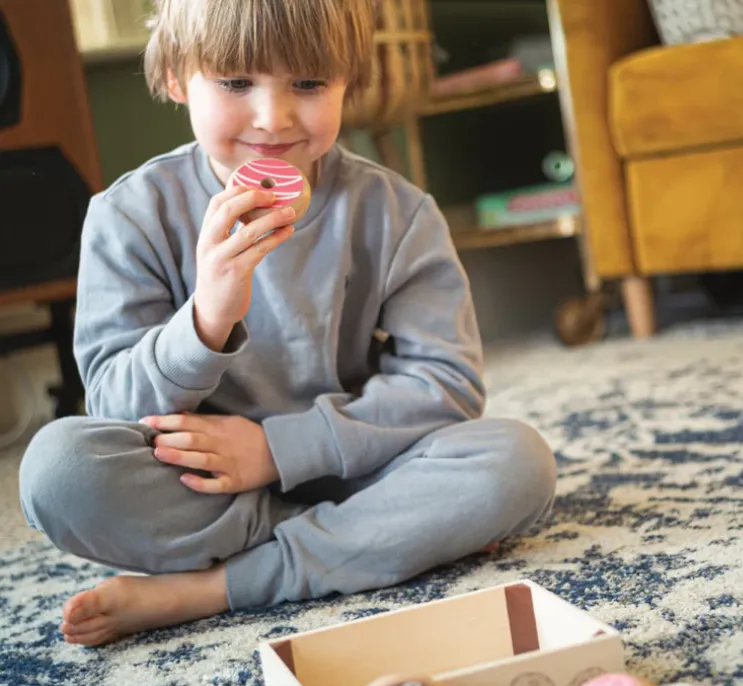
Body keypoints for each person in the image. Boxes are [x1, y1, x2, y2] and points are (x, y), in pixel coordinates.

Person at [18, 0, 557, 647]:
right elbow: (113, 405)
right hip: (211, 491)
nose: (273, 118)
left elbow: (446, 382)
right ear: (175, 77)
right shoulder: (129, 215)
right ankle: (370, 539)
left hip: (365, 467)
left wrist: (276, 451)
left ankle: (216, 587)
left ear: (347, 82)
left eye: (307, 82)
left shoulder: (398, 213)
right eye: (235, 82)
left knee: (517, 462)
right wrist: (206, 319)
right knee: (57, 471)